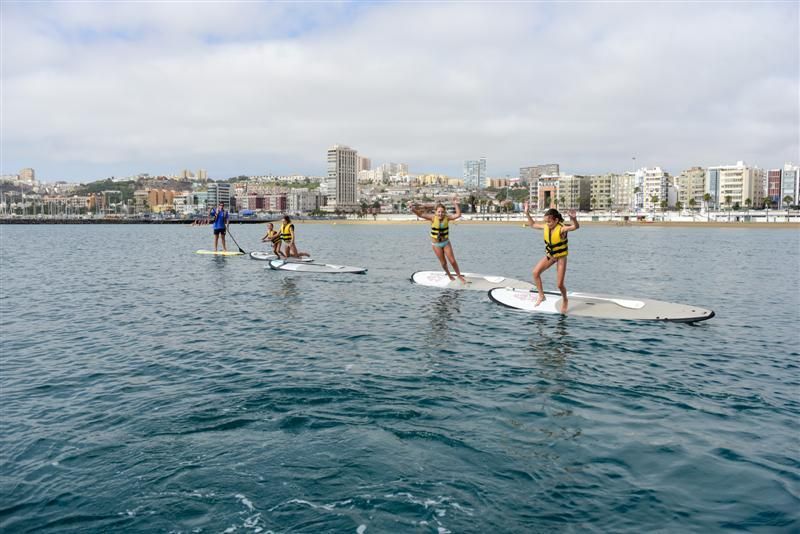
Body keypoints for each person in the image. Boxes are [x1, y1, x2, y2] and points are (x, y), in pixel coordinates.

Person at [526, 207, 580, 313]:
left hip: (561, 258)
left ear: (556, 220)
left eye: (549, 222)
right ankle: (541, 296)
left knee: (559, 284)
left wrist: (574, 219)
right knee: (535, 273)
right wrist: (526, 213)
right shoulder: (546, 227)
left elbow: (575, 227)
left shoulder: (562, 229)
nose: (547, 224)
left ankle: (565, 299)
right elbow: (532, 224)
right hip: (551, 256)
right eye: (546, 222)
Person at [411, 196, 466, 283]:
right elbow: (420, 214)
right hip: (436, 245)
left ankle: (459, 276)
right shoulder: (432, 218)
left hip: (446, 242)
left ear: (445, 212)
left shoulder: (447, 218)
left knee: (452, 260)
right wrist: (413, 209)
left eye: (442, 212)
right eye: (439, 212)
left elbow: (458, 215)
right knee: (444, 263)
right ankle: (449, 275)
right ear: (436, 212)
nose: (440, 213)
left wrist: (456, 204)